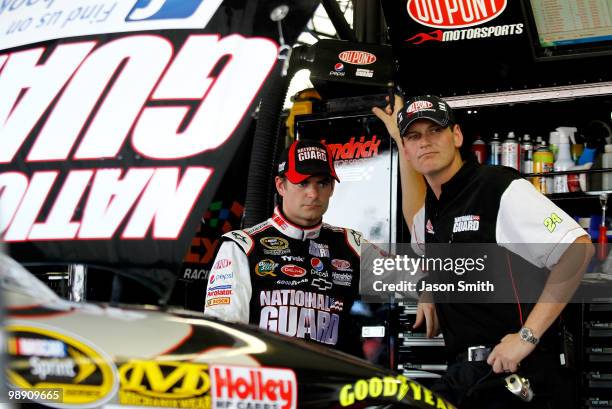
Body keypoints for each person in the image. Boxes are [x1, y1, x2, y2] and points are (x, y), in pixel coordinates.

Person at [374, 94, 594, 408]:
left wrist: (526, 337)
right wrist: (430, 290)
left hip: (519, 376)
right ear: (407, 152)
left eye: (435, 131)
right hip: (470, 376)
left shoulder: (497, 188)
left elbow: (578, 250)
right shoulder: (436, 210)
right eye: (414, 136)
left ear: (457, 136)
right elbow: (416, 223)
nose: (425, 142)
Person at [204, 139, 363, 352]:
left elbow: (413, 281)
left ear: (332, 188)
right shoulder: (241, 246)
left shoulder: (350, 243)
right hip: (272, 380)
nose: (313, 194)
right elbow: (222, 336)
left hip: (331, 380)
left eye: (322, 183)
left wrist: (425, 292)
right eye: (303, 183)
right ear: (281, 185)